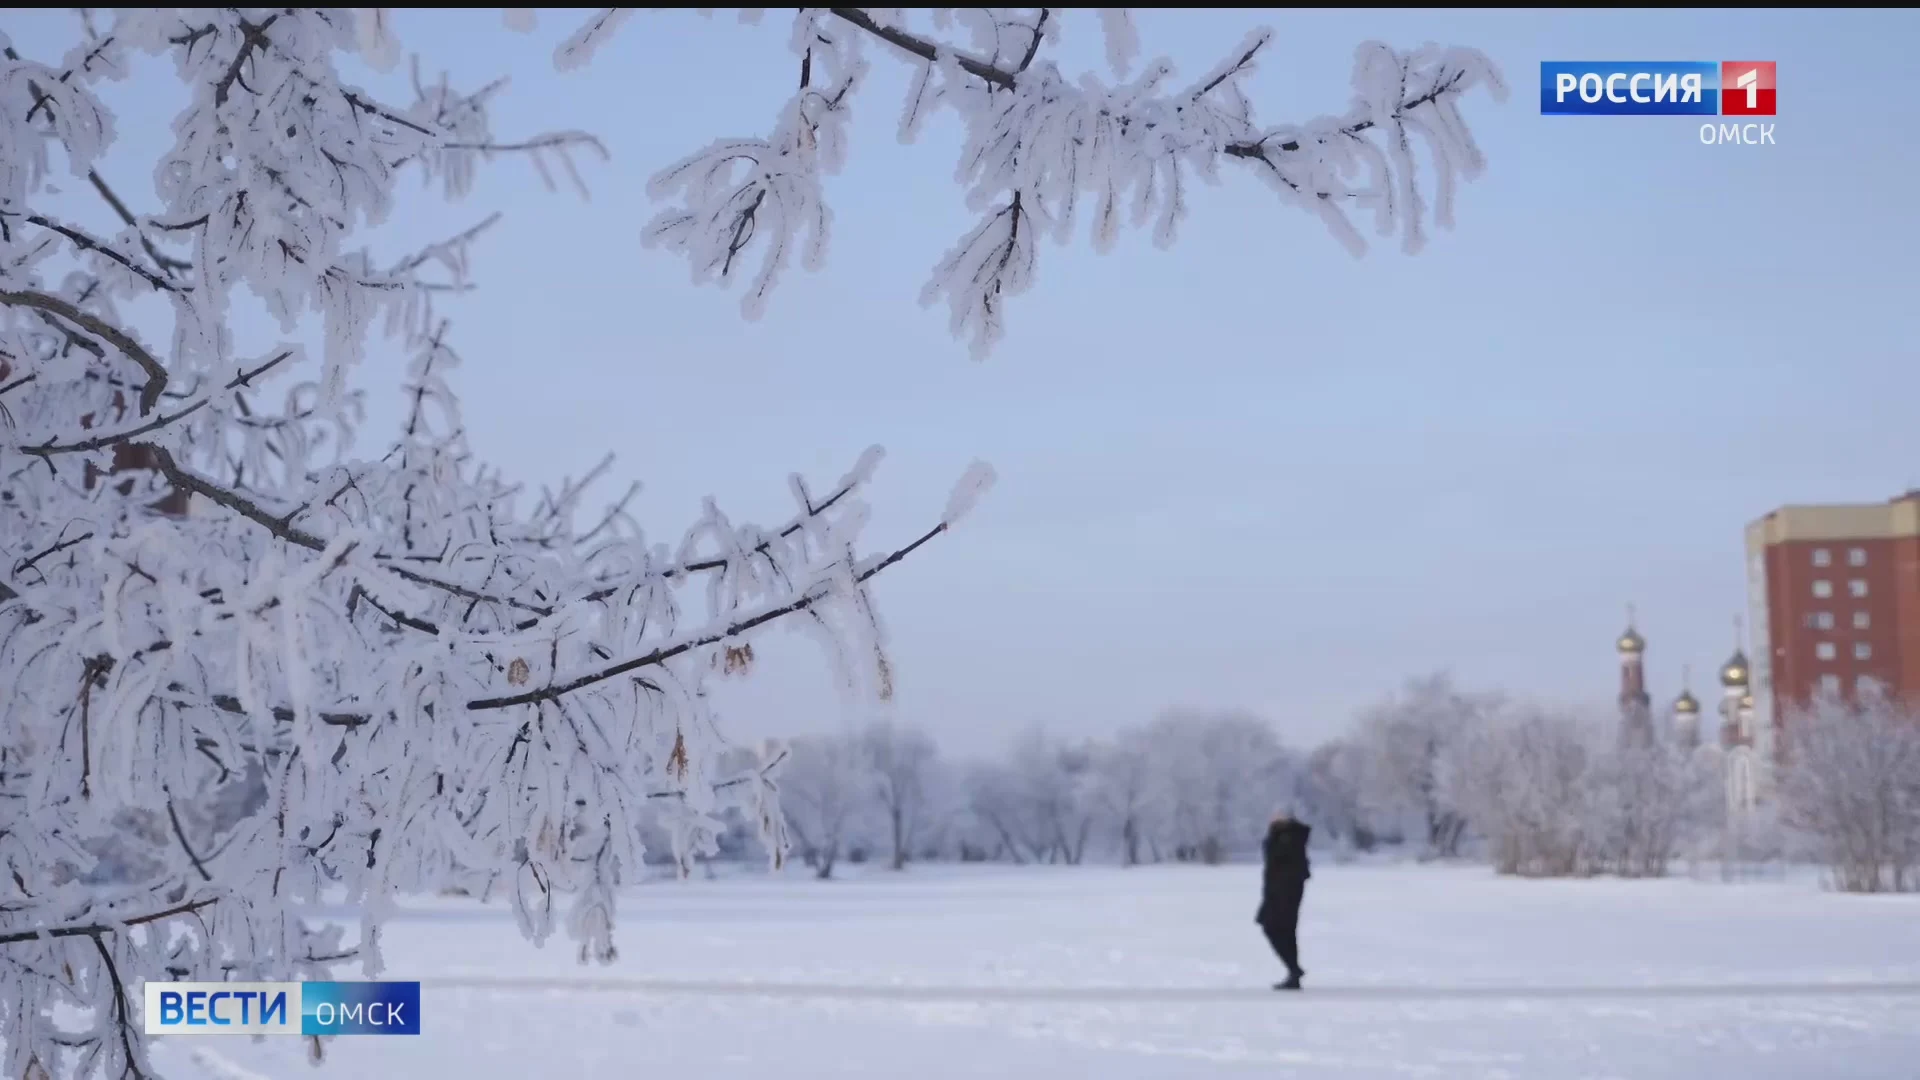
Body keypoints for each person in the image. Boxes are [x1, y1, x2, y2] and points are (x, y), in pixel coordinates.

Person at [1255, 809, 1311, 990]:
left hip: (1284, 892)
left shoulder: (1288, 838)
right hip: (1276, 891)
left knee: (1277, 929)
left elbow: (1284, 862)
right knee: (1281, 930)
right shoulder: (1282, 836)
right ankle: (1293, 970)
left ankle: (1294, 970)